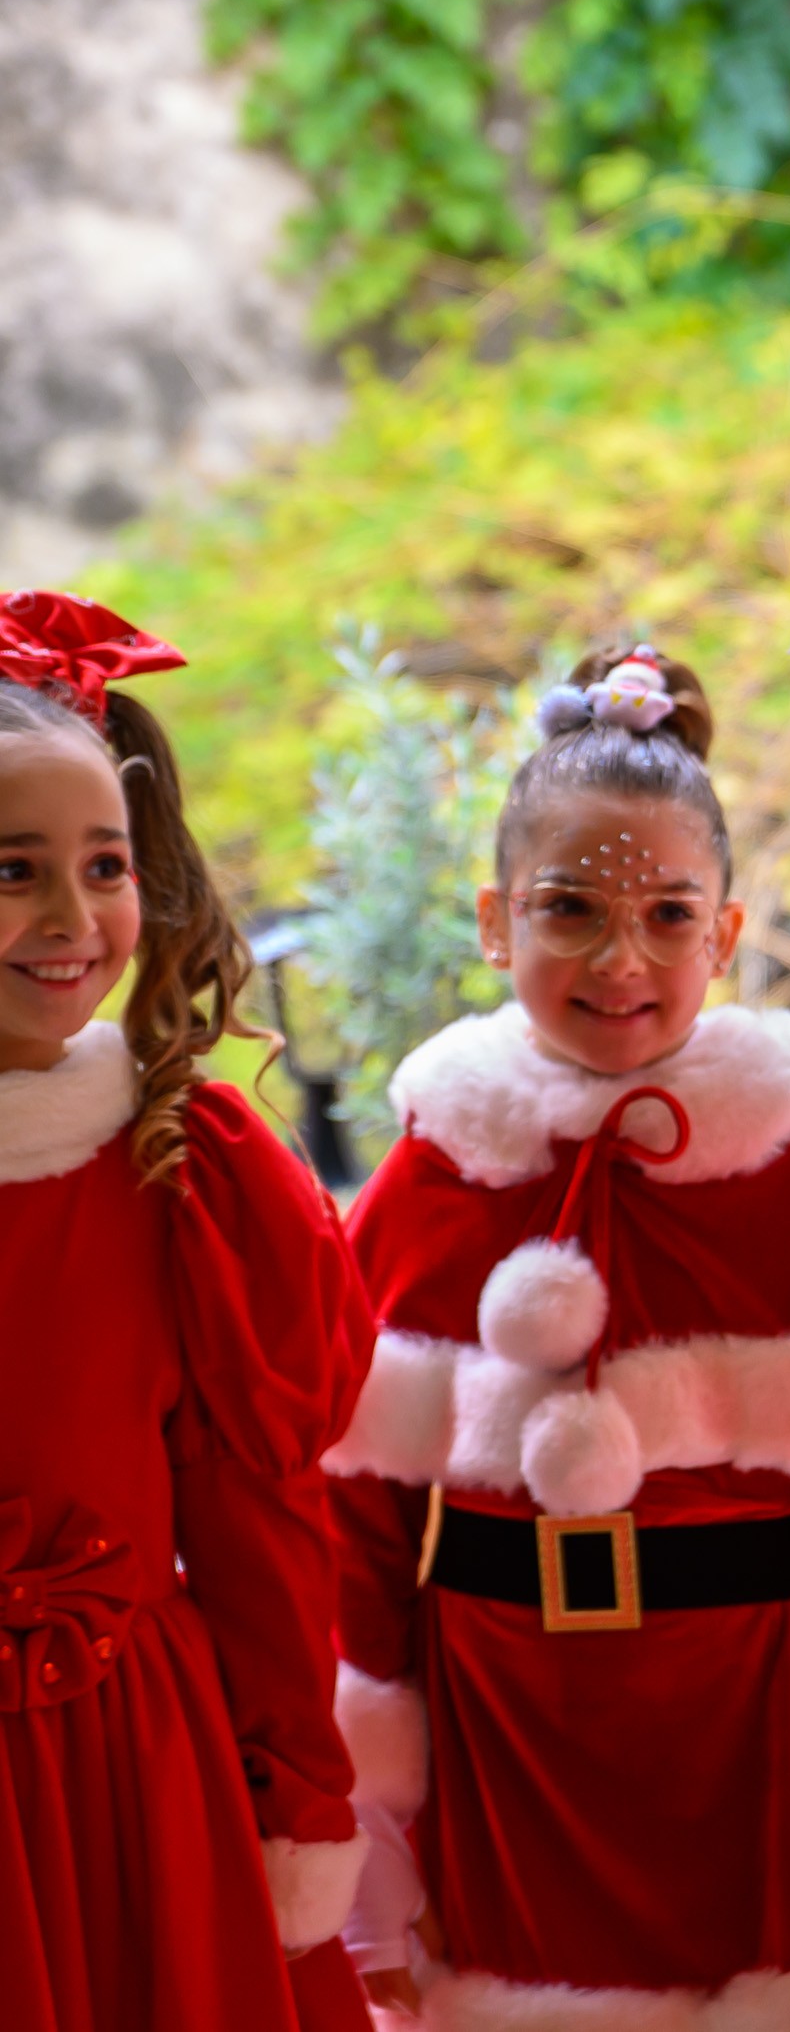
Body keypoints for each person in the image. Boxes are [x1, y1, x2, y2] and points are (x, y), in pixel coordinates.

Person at [325, 643, 790, 2028]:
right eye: (569, 911)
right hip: (511, 1725)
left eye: (669, 916)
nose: (621, 959)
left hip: (769, 1715)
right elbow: (358, 1522)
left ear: (730, 936)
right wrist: (371, 1821)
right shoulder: (426, 1184)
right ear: (495, 924)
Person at [0, 590, 376, 2032]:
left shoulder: (185, 1171)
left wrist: (301, 1795)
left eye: (102, 867)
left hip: (142, 1773)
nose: (72, 919)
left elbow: (260, 1524)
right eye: (14, 869)